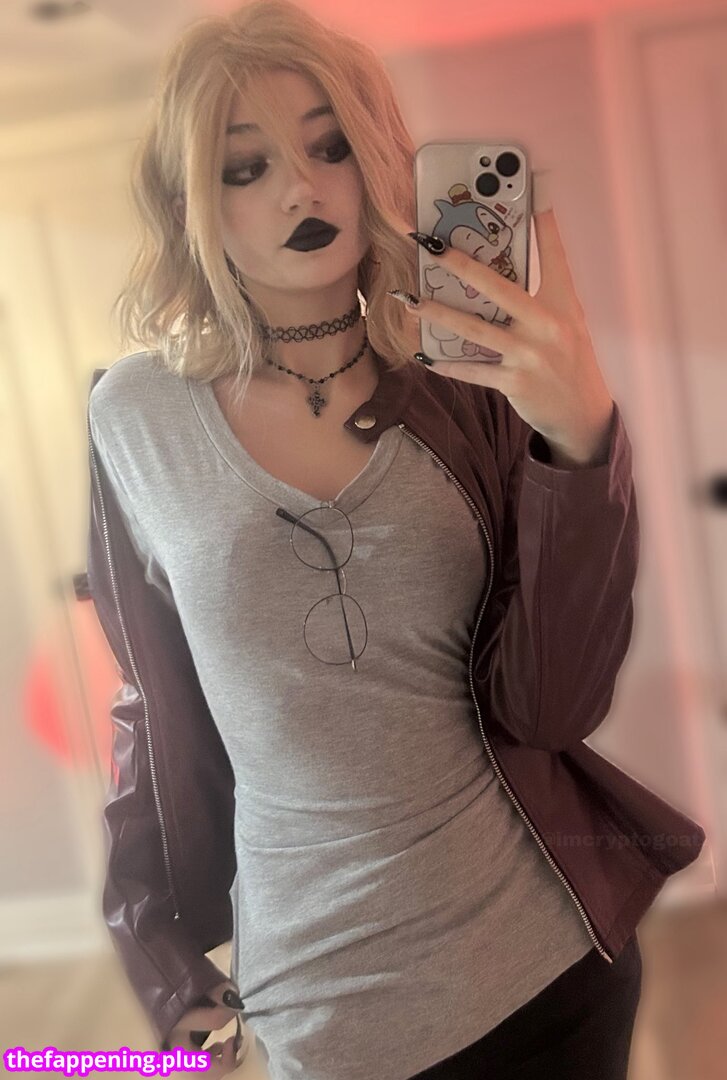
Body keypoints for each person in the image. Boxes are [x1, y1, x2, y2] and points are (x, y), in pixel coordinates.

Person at [84, 2, 706, 1079]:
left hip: (549, 965)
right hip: (324, 1004)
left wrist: (579, 439)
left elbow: (549, 707)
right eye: (246, 167)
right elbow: (154, 691)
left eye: (329, 147)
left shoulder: (466, 381)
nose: (300, 189)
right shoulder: (134, 416)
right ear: (190, 202)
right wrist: (157, 951)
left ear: (374, 157)